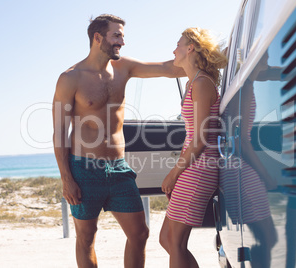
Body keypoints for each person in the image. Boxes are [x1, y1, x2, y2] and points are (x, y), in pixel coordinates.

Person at [52, 14, 184, 268]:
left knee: (139, 233)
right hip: (84, 169)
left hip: (120, 169)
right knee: (86, 237)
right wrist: (66, 178)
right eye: (116, 35)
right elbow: (59, 132)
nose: (122, 42)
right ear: (97, 37)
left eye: (122, 36)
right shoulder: (70, 78)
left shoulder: (124, 67)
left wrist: (211, 56)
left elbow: (170, 69)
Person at [159, 27, 227, 267]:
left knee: (175, 242)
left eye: (178, 44)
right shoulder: (193, 83)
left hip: (199, 168)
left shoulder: (202, 84)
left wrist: (173, 173)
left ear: (190, 48)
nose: (174, 49)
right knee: (167, 240)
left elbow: (199, 140)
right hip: (193, 167)